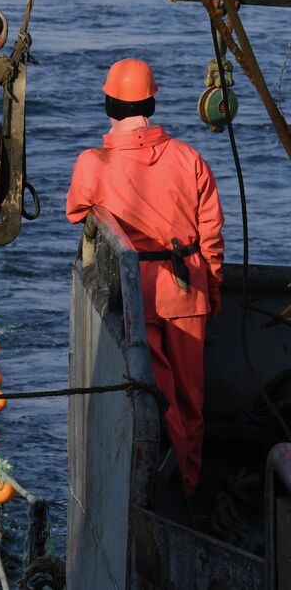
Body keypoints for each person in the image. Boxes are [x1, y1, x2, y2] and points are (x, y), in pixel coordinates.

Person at [66, 57, 224, 495]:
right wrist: (211, 289)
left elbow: (75, 209)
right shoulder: (190, 159)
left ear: (108, 105)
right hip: (186, 289)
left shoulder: (93, 162)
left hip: (136, 297)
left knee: (153, 399)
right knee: (191, 404)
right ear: (151, 104)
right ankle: (187, 488)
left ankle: (149, 495)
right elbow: (211, 236)